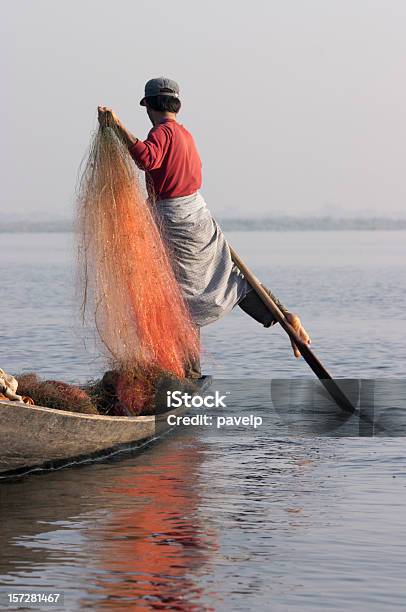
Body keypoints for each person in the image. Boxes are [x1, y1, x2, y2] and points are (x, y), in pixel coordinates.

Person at [98, 77, 311, 377]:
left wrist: (118, 126)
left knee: (182, 301)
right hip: (199, 215)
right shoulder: (185, 134)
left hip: (178, 223)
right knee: (229, 277)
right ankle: (283, 316)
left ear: (151, 106)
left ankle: (190, 375)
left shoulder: (163, 132)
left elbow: (146, 158)